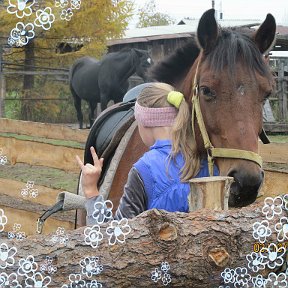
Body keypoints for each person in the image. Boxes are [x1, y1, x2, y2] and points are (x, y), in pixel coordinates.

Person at [76, 83, 219, 224]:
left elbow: (114, 241)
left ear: (144, 123)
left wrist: (91, 191)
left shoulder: (144, 169)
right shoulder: (209, 163)